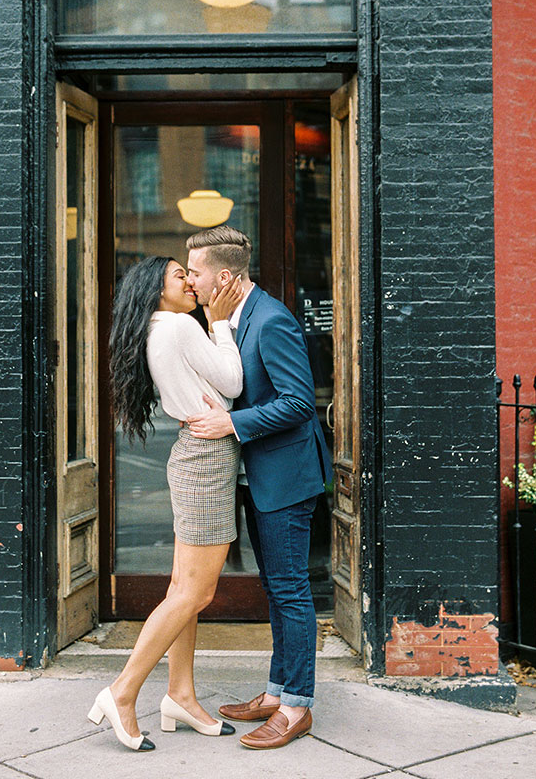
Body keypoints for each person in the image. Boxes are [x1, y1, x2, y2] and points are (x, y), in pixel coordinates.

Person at [87, 255, 244, 752]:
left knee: (183, 588)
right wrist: (219, 326)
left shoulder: (158, 327)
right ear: (159, 289)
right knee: (193, 594)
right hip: (206, 457)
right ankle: (123, 691)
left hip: (193, 454)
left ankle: (180, 696)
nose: (192, 283)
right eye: (181, 276)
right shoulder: (181, 325)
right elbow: (233, 383)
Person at [185, 225, 330, 751]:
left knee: (291, 591)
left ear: (223, 276)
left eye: (195, 272)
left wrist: (232, 424)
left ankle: (296, 707)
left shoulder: (271, 320)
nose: (190, 280)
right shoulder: (232, 317)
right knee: (275, 587)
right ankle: (276, 691)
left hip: (286, 479)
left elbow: (298, 403)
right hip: (259, 475)